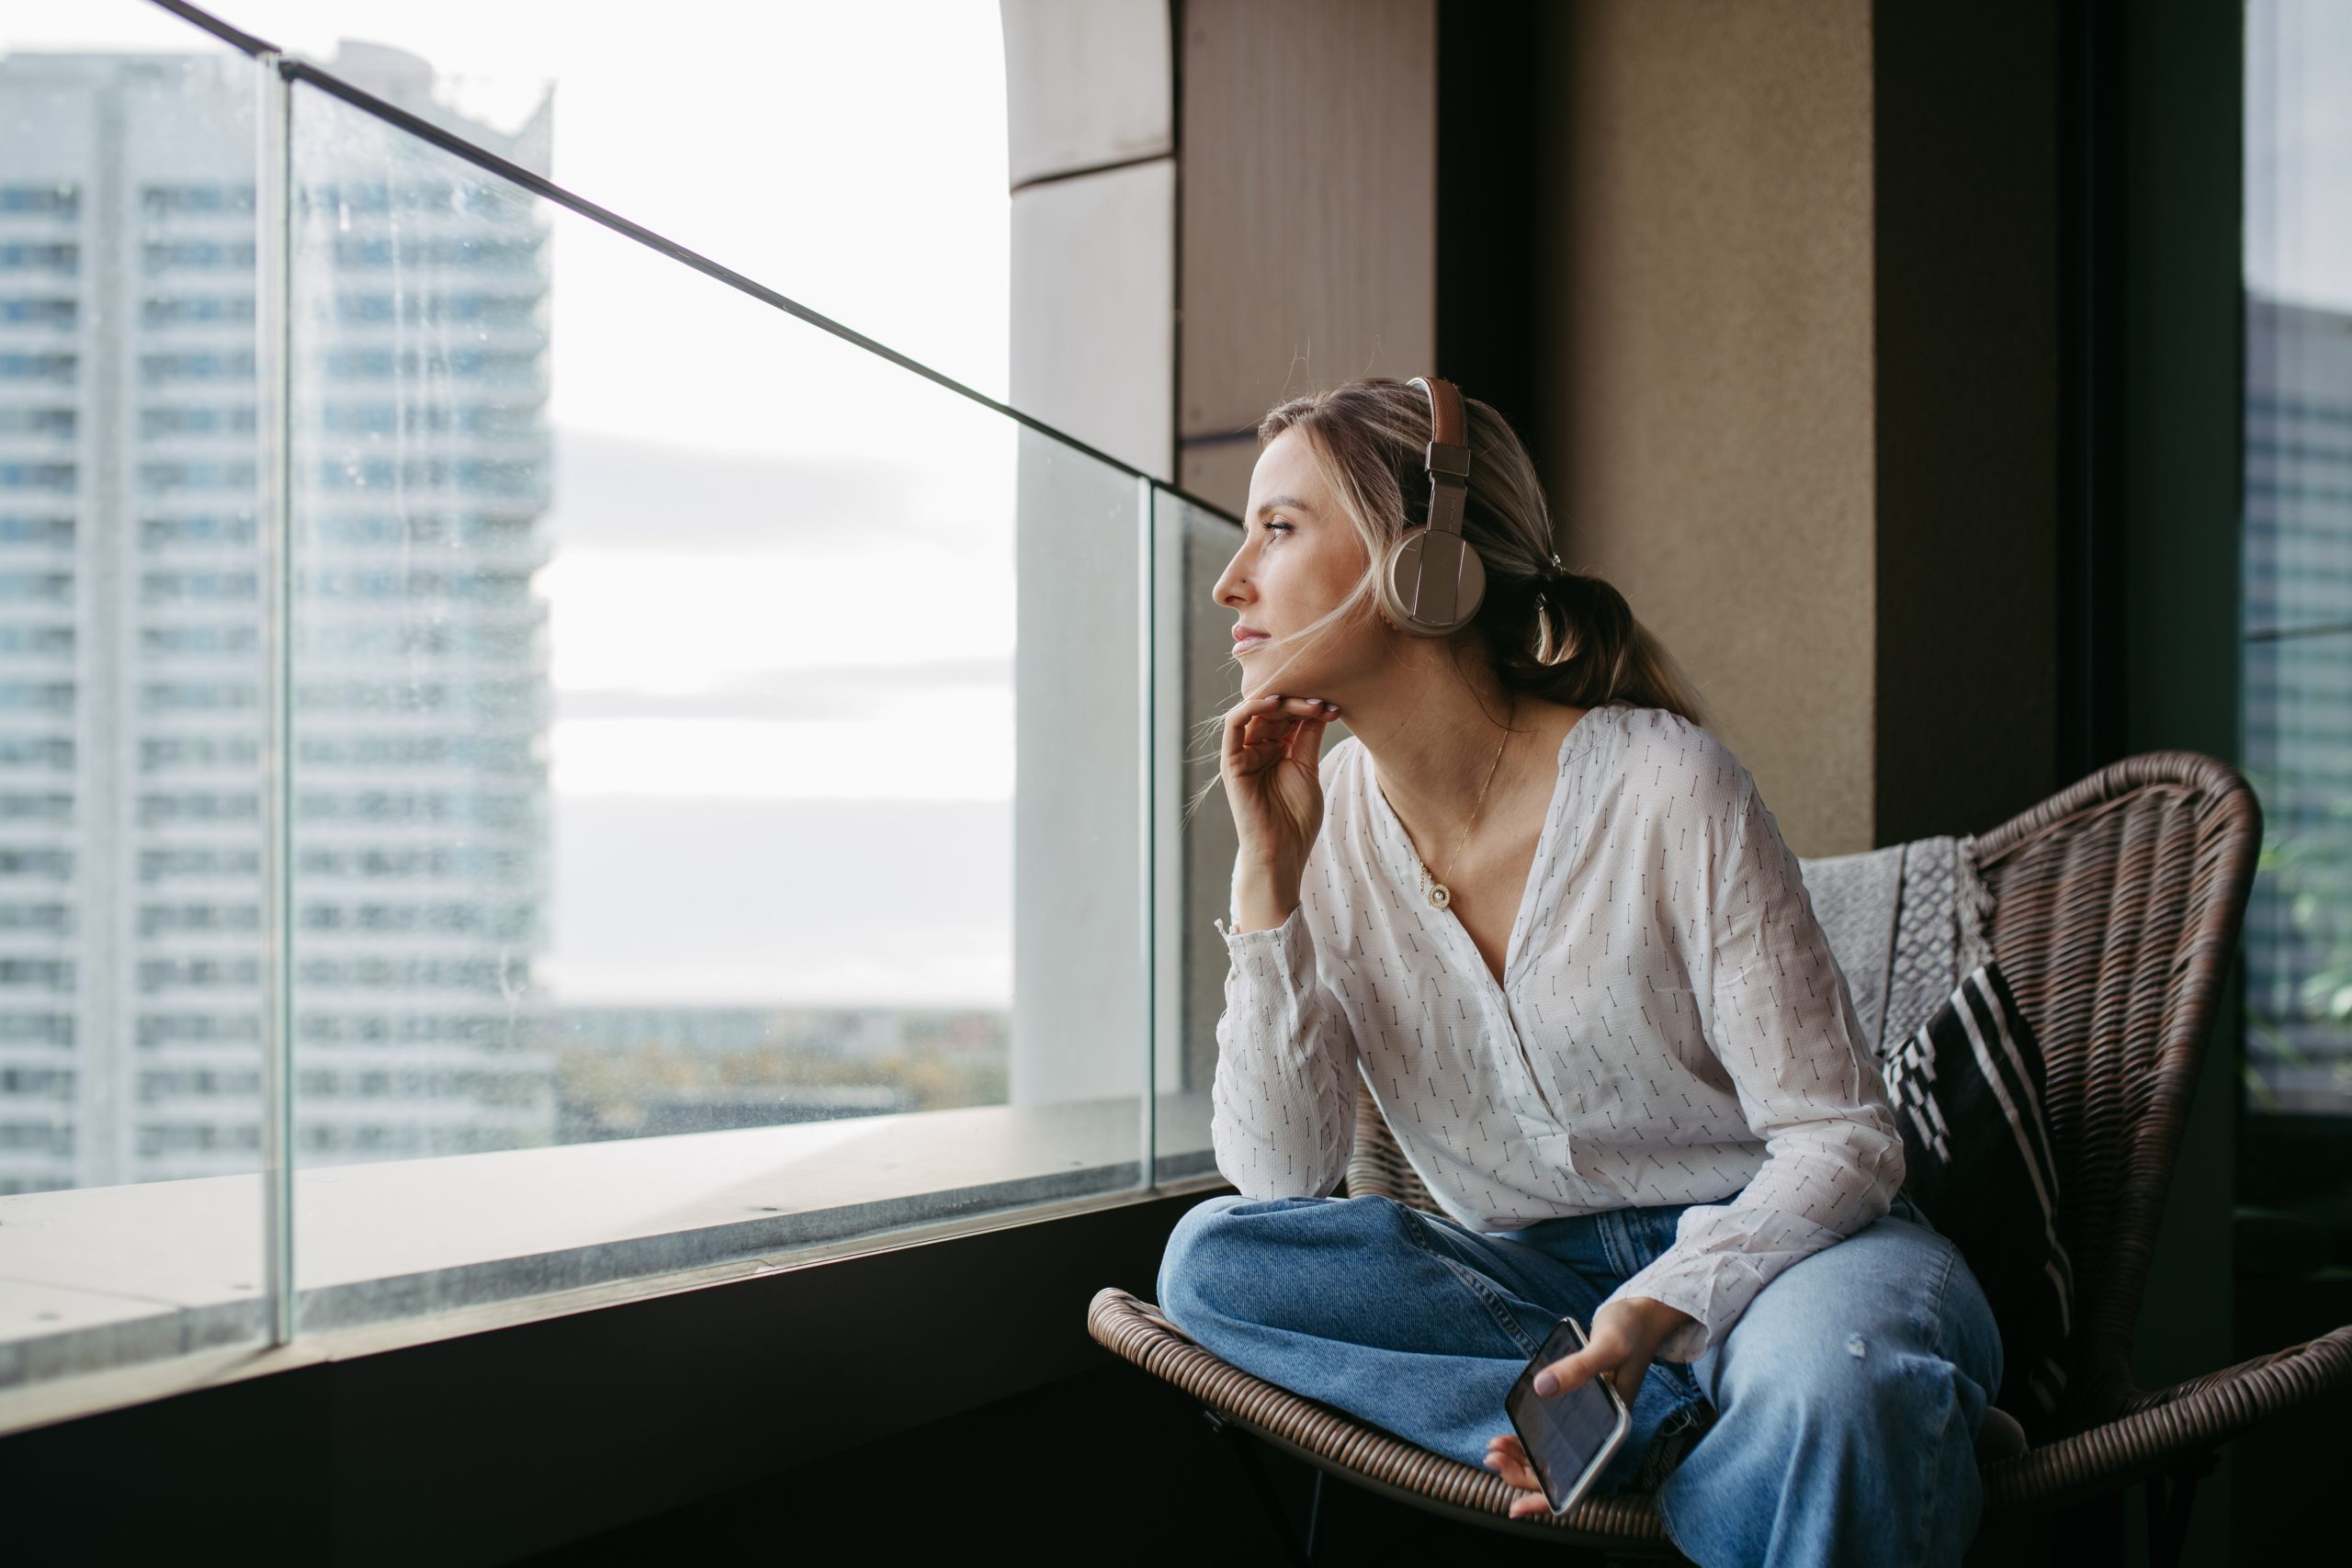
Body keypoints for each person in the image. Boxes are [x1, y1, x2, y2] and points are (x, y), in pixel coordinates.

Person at [1155, 376, 2004, 1568]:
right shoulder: (1320, 825)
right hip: (1526, 1289)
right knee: (1213, 1265)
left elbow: (1844, 1145)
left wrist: (1670, 1302)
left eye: (1279, 527)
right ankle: (1670, 1423)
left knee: (1837, 1388)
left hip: (1787, 1252)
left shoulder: (1665, 785)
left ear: (1425, 561)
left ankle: (1788, 1411)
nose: (1230, 578)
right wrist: (1270, 880)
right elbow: (1278, 1177)